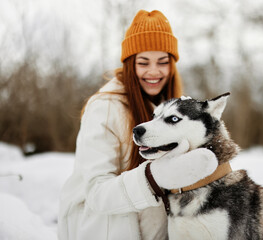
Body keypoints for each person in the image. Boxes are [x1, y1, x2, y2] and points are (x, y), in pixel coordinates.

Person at [57, 10, 218, 240]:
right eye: (144, 62)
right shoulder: (104, 108)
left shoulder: (168, 108)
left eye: (163, 62)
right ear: (130, 64)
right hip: (105, 231)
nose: (154, 71)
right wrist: (153, 178)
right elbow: (96, 193)